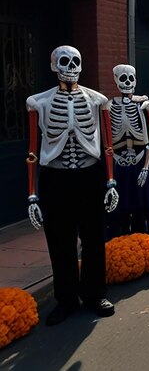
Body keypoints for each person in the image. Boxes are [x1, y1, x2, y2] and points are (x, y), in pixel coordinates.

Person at [26, 45, 117, 326]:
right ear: (54, 66)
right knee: (60, 241)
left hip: (90, 175)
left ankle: (94, 294)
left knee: (93, 239)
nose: (71, 66)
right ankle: (65, 299)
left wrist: (111, 182)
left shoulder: (97, 100)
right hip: (56, 177)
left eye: (75, 60)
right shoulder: (37, 102)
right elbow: (32, 151)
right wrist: (32, 195)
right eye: (64, 61)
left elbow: (108, 146)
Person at [107, 64, 149, 238]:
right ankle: (120, 238)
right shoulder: (107, 106)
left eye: (131, 78)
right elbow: (107, 142)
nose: (128, 82)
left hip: (140, 161)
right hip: (119, 163)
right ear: (115, 80)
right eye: (123, 78)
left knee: (142, 204)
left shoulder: (144, 106)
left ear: (135, 81)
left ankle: (143, 238)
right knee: (120, 204)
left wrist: (145, 167)